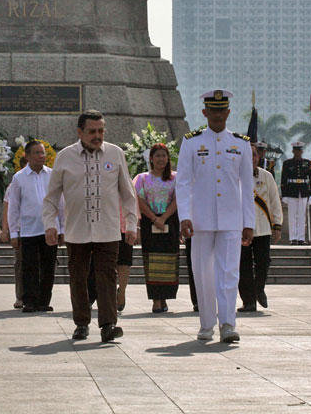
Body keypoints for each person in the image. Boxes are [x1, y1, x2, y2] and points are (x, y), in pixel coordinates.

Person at [42, 110, 138, 343]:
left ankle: (108, 325)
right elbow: (52, 196)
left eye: (101, 131)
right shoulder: (65, 157)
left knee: (107, 276)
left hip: (108, 228)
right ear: (80, 132)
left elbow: (127, 193)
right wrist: (50, 225)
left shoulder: (115, 154)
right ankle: (81, 323)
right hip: (77, 229)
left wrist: (132, 224)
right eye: (92, 131)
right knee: (79, 277)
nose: (97, 136)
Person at [176, 89, 255, 343]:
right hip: (200, 219)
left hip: (232, 219)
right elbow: (183, 183)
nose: (218, 115)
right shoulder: (192, 142)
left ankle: (228, 323)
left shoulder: (241, 144)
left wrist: (249, 223)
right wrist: (184, 216)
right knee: (202, 272)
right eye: (213, 110)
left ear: (228, 112)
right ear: (205, 112)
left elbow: (246, 187)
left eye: (222, 110)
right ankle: (207, 323)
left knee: (229, 272)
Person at [8, 140, 63, 313]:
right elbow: (14, 207)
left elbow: (60, 203)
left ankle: (44, 300)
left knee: (48, 266)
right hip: (29, 229)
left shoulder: (53, 175)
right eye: (37, 153)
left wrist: (62, 229)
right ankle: (29, 300)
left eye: (43, 153)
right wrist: (13, 232)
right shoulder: (19, 178)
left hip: (50, 229)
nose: (41, 156)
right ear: (28, 156)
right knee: (29, 266)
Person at [134, 143, 181, 313]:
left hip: (170, 220)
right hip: (150, 221)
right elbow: (139, 199)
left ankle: (165, 296)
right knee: (152, 261)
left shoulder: (175, 177)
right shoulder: (142, 178)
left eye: (164, 155)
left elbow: (177, 199)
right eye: (157, 156)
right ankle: (156, 299)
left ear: (168, 158)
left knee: (169, 260)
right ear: (151, 159)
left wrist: (164, 218)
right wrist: (155, 218)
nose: (161, 159)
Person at [239, 143, 283, 312]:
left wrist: (277, 225)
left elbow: (274, 201)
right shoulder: (234, 177)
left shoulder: (266, 176)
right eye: (248, 155)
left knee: (263, 263)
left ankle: (259, 289)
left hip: (263, 228)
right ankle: (248, 301)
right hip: (241, 229)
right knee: (243, 266)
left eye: (254, 155)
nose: (252, 158)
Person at [280, 141, 311, 245]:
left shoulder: (308, 163)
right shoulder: (287, 163)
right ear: (293, 151)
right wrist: (284, 194)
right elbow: (283, 180)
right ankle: (293, 238)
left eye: (299, 150)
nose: (297, 152)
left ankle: (301, 238)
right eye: (296, 150)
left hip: (303, 191)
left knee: (302, 216)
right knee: (292, 216)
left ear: (302, 151)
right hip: (291, 191)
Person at [1, 166, 24, 309]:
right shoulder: (14, 185)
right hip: (22, 229)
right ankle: (21, 296)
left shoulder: (46, 178)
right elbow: (7, 208)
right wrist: (6, 229)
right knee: (21, 263)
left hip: (41, 229)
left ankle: (38, 296)